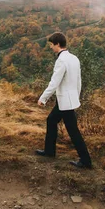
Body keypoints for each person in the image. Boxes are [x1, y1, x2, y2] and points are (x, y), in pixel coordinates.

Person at [36, 32, 92, 169]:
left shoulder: (61, 60)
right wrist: (76, 97)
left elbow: (54, 82)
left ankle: (85, 161)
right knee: (51, 120)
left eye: (51, 45)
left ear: (57, 44)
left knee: (73, 131)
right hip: (68, 99)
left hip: (64, 101)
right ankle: (49, 151)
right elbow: (79, 81)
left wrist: (43, 98)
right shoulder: (74, 58)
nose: (50, 47)